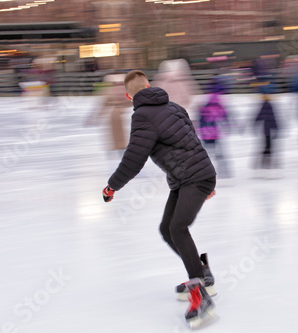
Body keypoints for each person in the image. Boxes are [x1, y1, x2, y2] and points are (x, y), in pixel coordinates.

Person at [102, 70, 218, 328]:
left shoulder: (142, 116)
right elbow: (193, 141)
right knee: (167, 229)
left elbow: (133, 160)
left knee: (177, 227)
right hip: (190, 178)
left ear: (128, 95)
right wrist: (209, 178)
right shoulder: (174, 106)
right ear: (149, 85)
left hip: (194, 178)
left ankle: (200, 293)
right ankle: (202, 272)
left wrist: (112, 186)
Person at [254, 83, 279, 174]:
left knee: (267, 145)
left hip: (267, 129)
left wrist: (255, 123)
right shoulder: (268, 104)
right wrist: (276, 128)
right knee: (268, 146)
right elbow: (271, 117)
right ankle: (266, 163)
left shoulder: (265, 104)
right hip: (268, 129)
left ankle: (264, 163)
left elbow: (260, 116)